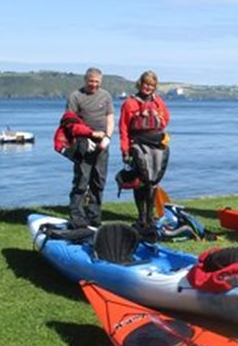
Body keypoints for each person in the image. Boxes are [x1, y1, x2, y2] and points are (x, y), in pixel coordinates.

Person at [119, 70, 171, 238]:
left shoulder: (158, 102)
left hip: (156, 145)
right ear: (140, 84)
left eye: (151, 85)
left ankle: (150, 215)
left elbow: (166, 119)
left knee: (153, 181)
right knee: (140, 181)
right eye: (146, 84)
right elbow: (123, 128)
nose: (148, 87)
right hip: (138, 145)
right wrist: (125, 149)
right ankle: (141, 216)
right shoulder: (130, 104)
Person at [65, 67, 114, 228]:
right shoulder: (75, 96)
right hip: (83, 143)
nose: (94, 84)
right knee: (81, 180)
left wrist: (108, 137)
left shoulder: (105, 96)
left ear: (101, 81)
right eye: (91, 81)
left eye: (97, 82)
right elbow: (69, 123)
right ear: (85, 80)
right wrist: (91, 134)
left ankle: (95, 216)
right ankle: (76, 216)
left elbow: (110, 118)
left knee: (98, 180)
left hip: (102, 144)